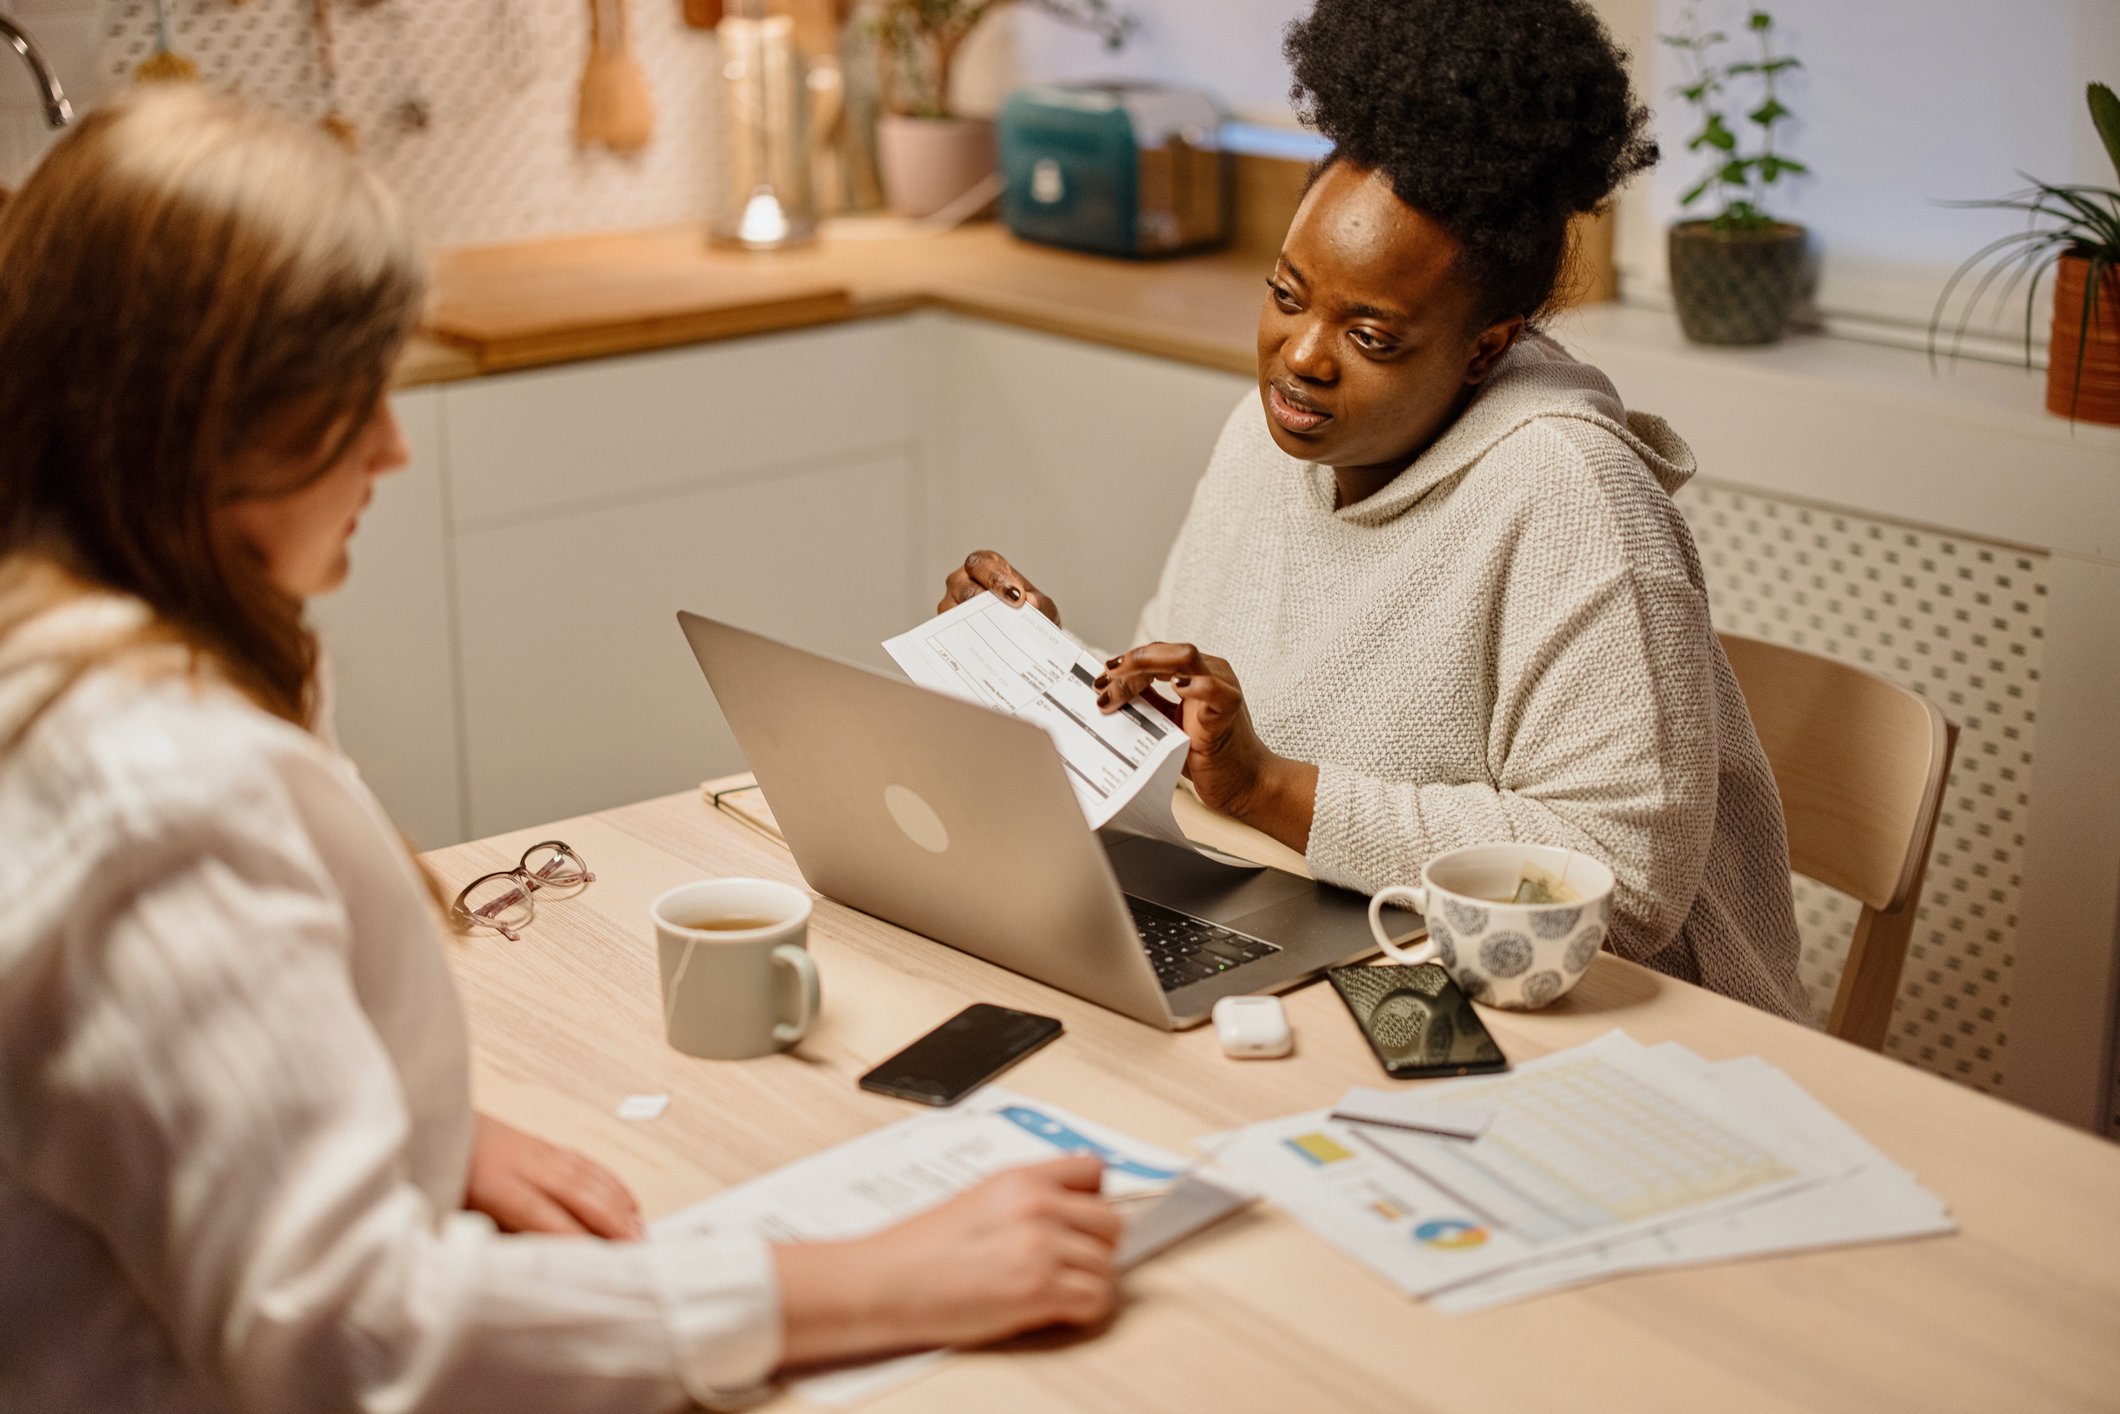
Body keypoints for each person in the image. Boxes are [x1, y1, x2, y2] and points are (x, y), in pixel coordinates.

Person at [0, 87, 1120, 1413]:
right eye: (351, 400)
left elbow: (152, 1075)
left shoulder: (75, 640)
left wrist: (378, 1129)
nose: (394, 446)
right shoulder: (162, 797)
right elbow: (357, 1339)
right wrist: (880, 1279)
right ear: (210, 430)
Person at [941, 0, 1807, 1020]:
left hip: (1608, 1026)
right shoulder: (1265, 438)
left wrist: (1272, 788)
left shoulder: (1576, 503)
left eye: (1372, 335)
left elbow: (1625, 885)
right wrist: (1044, 674)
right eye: (1286, 293)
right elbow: (1194, 752)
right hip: (1349, 949)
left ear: (1483, 348)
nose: (1301, 356)